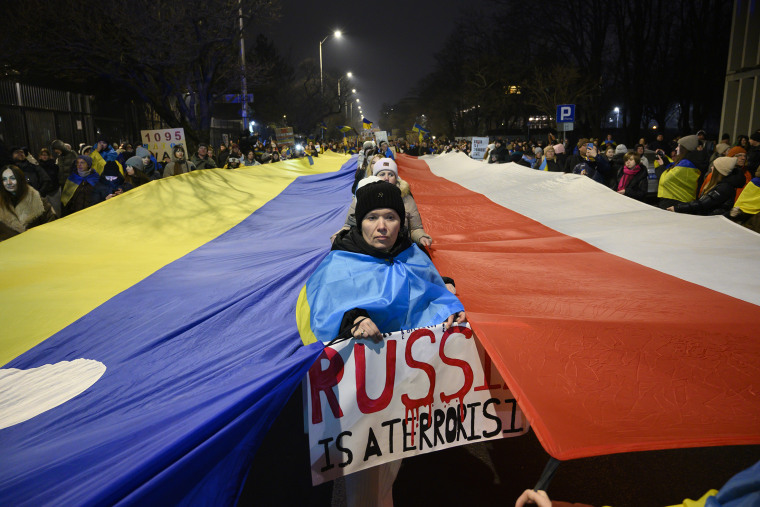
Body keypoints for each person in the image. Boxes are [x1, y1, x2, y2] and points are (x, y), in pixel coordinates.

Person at [333, 159, 434, 249]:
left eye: (391, 174)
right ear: (375, 176)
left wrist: (421, 237)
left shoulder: (407, 199)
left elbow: (416, 228)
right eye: (382, 174)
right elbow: (349, 225)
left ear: (396, 177)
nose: (386, 178)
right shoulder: (363, 196)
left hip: (399, 248)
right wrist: (339, 236)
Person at [667, 156, 745, 215]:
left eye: (714, 167)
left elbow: (703, 204)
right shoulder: (722, 185)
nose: (711, 167)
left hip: (713, 221)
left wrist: (678, 208)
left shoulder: (724, 188)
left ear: (720, 171)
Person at [0, 165, 57, 241]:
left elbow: (52, 225)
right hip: (9, 250)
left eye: (12, 178)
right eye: (4, 179)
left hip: (35, 247)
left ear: (20, 179)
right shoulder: (1, 204)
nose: (8, 182)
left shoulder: (38, 201)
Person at [657, 135, 703, 209]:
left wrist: (661, 166)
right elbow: (674, 167)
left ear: (684, 148)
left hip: (676, 201)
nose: (676, 148)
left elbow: (666, 179)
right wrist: (665, 160)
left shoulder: (686, 163)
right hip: (678, 199)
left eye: (678, 146)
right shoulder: (687, 161)